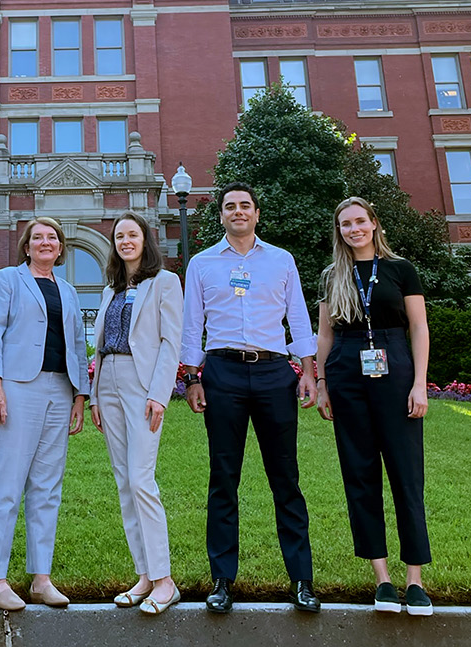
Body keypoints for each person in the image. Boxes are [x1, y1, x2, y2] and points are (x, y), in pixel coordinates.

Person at [182, 182, 321, 614]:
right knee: (224, 477)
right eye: (230, 207)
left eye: (245, 206)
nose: (238, 212)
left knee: (286, 478)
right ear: (221, 215)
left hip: (274, 372)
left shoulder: (281, 261)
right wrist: (192, 378)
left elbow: (298, 316)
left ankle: (301, 580)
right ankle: (222, 580)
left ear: (257, 214)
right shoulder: (202, 264)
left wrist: (309, 372)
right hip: (221, 372)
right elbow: (191, 324)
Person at [316, 196, 433, 616]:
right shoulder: (334, 276)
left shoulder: (401, 270)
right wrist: (324, 384)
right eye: (346, 224)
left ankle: (415, 580)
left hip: (395, 365)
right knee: (360, 473)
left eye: (360, 221)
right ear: (340, 231)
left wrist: (419, 384)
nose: (354, 229)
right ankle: (382, 578)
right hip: (347, 369)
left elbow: (418, 327)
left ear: (374, 224)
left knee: (406, 473)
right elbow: (326, 336)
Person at [0, 217, 89, 610]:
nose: (45, 242)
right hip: (17, 388)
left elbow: (77, 344)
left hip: (60, 390)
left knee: (47, 488)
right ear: (26, 246)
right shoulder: (8, 280)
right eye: (37, 237)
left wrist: (80, 395)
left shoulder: (71, 292)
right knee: (6, 485)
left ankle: (41, 578)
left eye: (52, 237)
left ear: (60, 248)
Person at [91, 213, 183, 615]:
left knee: (142, 478)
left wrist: (160, 394)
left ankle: (165, 582)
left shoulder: (165, 282)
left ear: (146, 239)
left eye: (132, 234)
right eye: (119, 236)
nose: (126, 241)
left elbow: (170, 341)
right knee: (124, 481)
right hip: (108, 380)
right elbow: (100, 346)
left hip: (142, 384)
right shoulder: (111, 289)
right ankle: (144, 575)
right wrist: (94, 395)